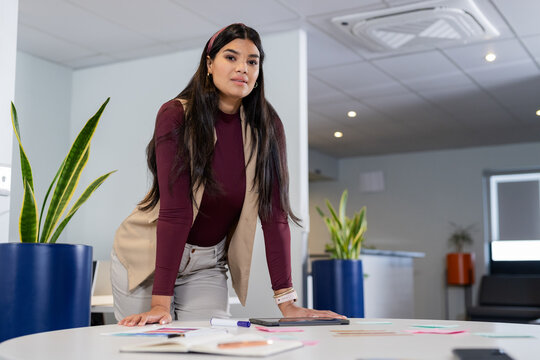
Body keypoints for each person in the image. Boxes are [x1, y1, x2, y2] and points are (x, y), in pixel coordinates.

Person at [111, 23, 344, 326]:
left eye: (252, 61)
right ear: (209, 64)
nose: (242, 69)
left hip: (207, 264)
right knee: (148, 346)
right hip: (148, 256)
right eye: (231, 58)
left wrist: (288, 304)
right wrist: (159, 304)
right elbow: (176, 211)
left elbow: (274, 215)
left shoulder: (267, 127)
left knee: (209, 344)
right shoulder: (176, 115)